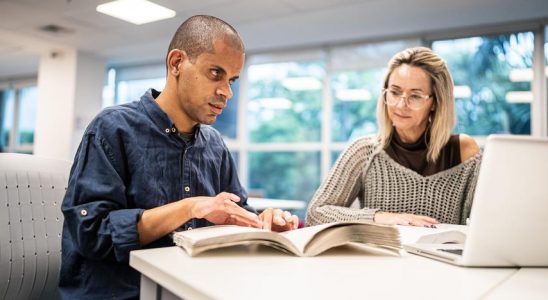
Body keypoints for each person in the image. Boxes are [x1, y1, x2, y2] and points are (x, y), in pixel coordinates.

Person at [59, 15, 298, 299]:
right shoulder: (112, 128)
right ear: (176, 64)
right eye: (215, 73)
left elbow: (238, 212)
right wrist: (189, 208)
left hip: (193, 289)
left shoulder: (214, 146)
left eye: (232, 79)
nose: (227, 92)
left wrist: (263, 223)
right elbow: (91, 233)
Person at [306, 47, 481, 228]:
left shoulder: (464, 151)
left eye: (415, 96)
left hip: (441, 257)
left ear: (435, 102)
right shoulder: (364, 151)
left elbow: (490, 223)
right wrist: (379, 217)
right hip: (379, 256)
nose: (401, 104)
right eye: (395, 92)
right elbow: (316, 213)